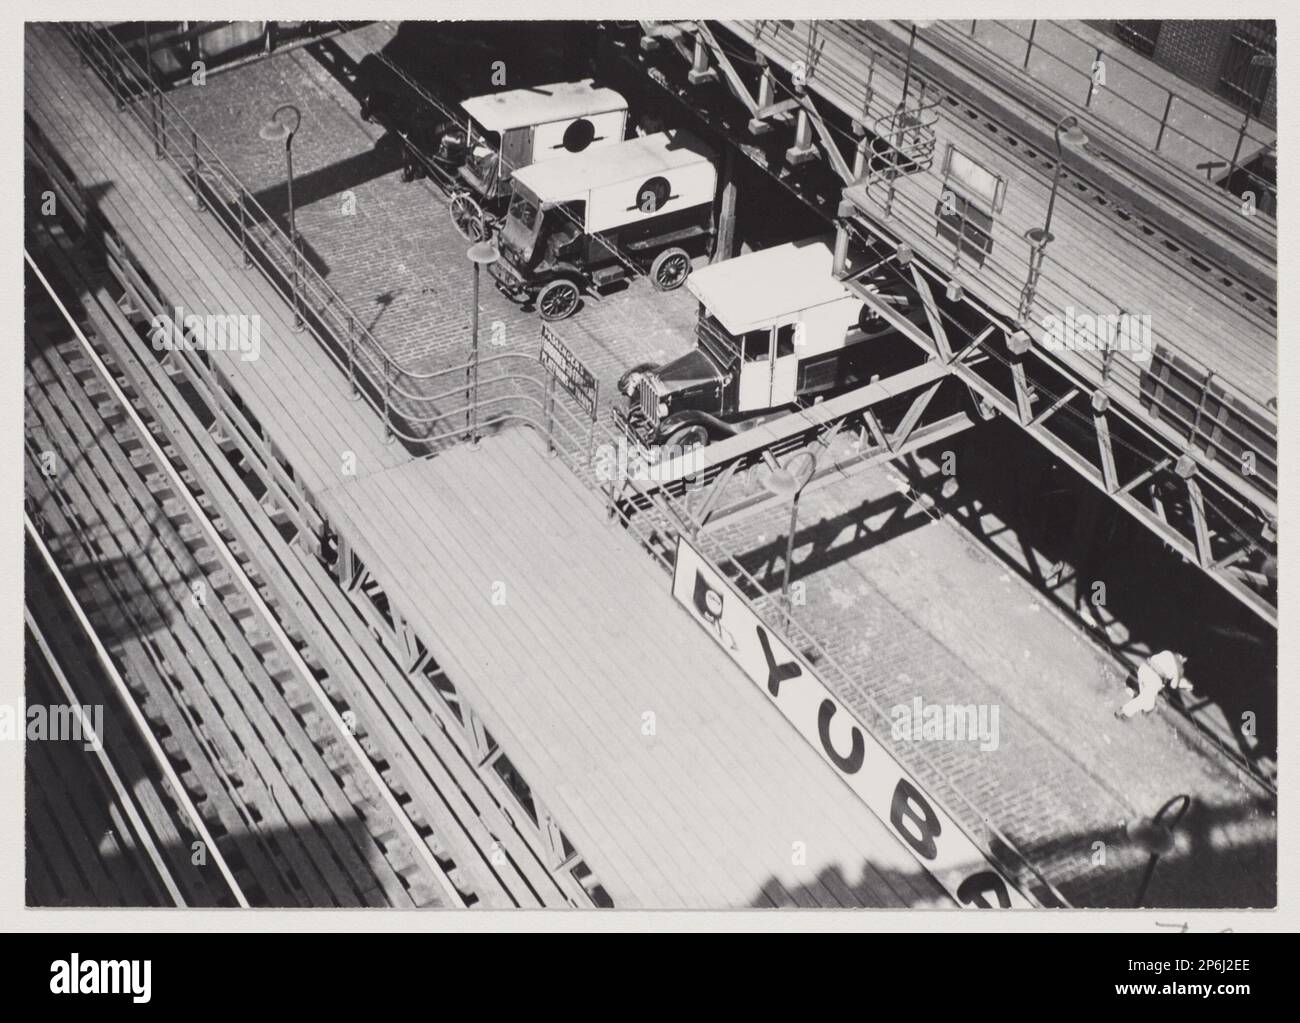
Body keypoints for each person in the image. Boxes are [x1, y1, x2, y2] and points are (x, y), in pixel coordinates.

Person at [1115, 649, 1192, 720]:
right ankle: (1122, 712)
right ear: (1185, 659)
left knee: (1149, 704)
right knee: (1145, 701)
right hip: (1154, 679)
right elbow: (1173, 685)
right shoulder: (1179, 666)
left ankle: (1125, 712)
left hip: (1144, 668)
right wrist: (1183, 686)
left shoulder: (1167, 652)